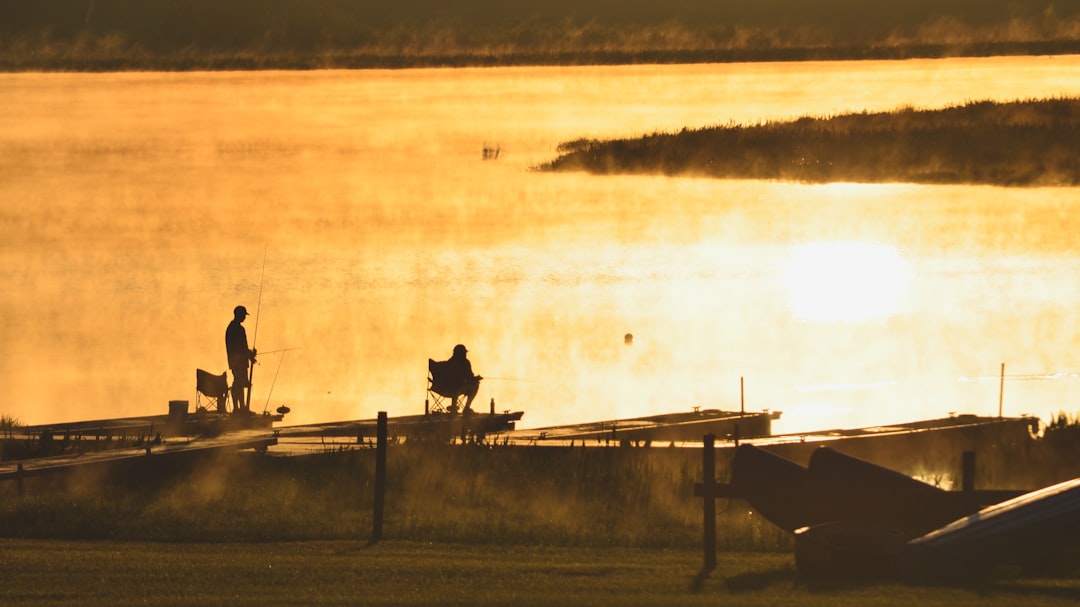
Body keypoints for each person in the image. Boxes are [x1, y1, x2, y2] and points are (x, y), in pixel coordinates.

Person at [225, 305, 257, 413]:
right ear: (239, 315)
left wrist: (249, 355)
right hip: (239, 362)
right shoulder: (238, 329)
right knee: (239, 383)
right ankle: (240, 408)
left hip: (235, 361)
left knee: (239, 383)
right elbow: (241, 347)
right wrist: (250, 354)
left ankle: (240, 408)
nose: (245, 317)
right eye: (244, 315)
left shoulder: (230, 327)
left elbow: (240, 347)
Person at [439, 344, 482, 414]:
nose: (465, 354)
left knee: (455, 386)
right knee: (475, 384)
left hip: (444, 389)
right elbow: (469, 378)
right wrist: (476, 378)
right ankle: (466, 408)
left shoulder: (449, 362)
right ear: (461, 353)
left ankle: (453, 407)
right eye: (464, 353)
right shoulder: (465, 362)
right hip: (457, 388)